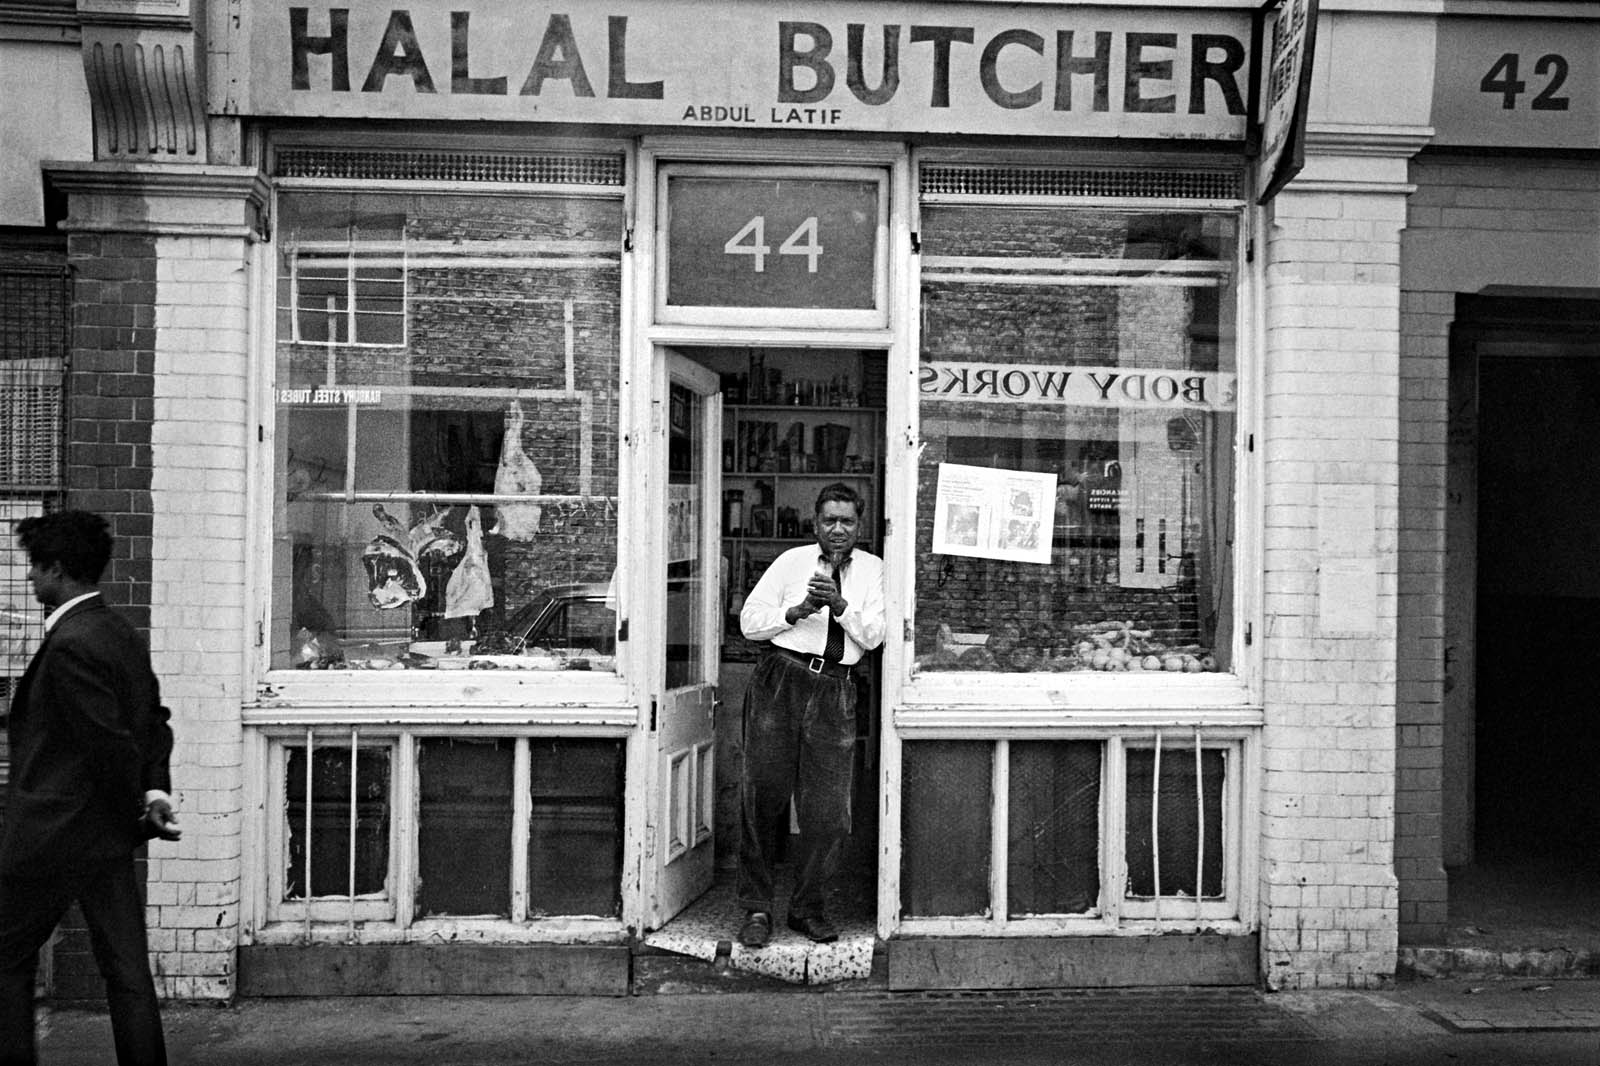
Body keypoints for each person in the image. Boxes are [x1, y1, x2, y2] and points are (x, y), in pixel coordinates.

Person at [0, 511, 180, 1066]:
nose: (29, 579)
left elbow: (105, 741)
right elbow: (153, 720)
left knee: (6, 957)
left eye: (35, 568)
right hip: (105, 839)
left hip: (54, 835)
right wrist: (152, 793)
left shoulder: (71, 644)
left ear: (58, 570)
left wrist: (132, 797)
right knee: (127, 972)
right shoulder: (118, 632)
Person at [735, 483, 885, 947]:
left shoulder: (875, 570)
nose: (838, 529)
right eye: (829, 521)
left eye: (847, 521)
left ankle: (807, 908)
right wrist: (797, 610)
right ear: (814, 524)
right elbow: (748, 621)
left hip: (835, 690)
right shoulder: (790, 563)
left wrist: (840, 607)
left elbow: (876, 636)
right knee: (763, 798)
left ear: (860, 525)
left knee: (827, 810)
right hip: (781, 679)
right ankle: (757, 909)